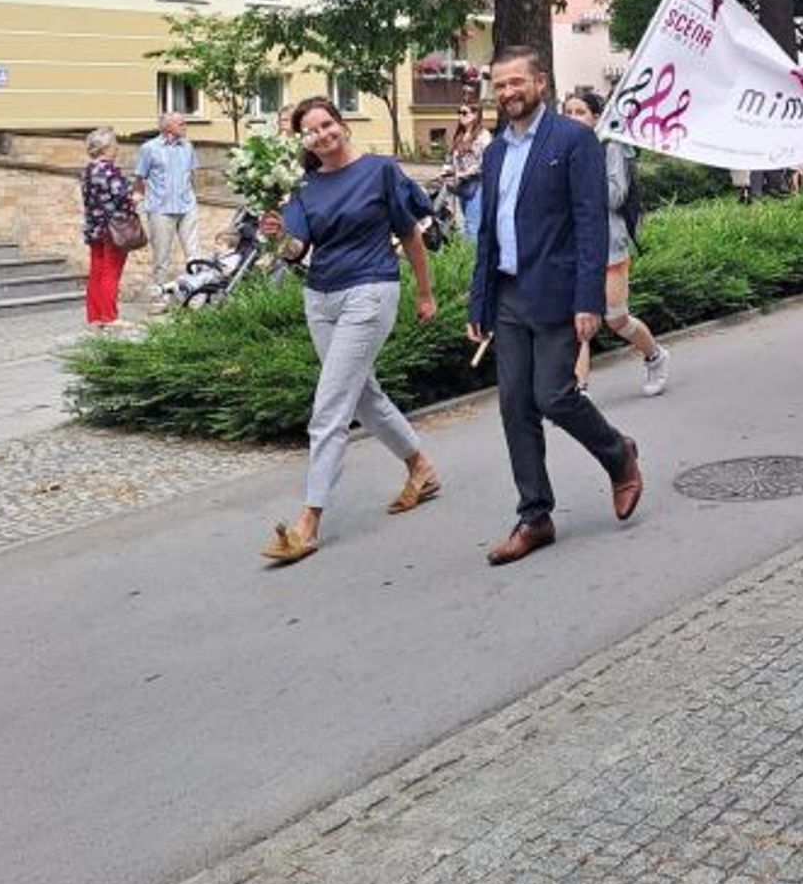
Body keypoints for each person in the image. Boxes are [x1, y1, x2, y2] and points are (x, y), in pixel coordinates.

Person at [466, 46, 643, 564]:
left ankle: (619, 454)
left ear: (539, 82)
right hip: (508, 294)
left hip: (558, 292)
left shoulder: (572, 140)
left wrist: (588, 299)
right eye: (500, 84)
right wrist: (479, 303)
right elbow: (488, 234)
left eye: (516, 82)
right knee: (514, 405)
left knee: (554, 395)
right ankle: (535, 516)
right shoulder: (495, 151)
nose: (507, 92)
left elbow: (591, 222)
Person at [257, 97, 441, 565]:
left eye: (327, 124)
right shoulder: (305, 186)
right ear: (304, 141)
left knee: (331, 406)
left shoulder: (380, 170)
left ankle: (308, 523)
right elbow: (297, 250)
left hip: (371, 290)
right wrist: (278, 234)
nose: (322, 135)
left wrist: (425, 293)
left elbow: (411, 235)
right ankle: (420, 467)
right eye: (311, 131)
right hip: (320, 298)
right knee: (362, 395)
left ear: (342, 125)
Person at [562, 87, 673, 397]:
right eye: (568, 113)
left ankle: (655, 356)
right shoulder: (561, 150)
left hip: (609, 244)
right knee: (579, 320)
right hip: (575, 246)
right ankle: (579, 390)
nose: (573, 118)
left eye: (580, 112)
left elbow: (615, 195)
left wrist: (583, 175)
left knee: (616, 319)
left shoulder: (611, 146)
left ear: (596, 117)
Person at [133, 111, 201, 294]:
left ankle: (197, 293)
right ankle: (159, 295)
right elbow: (139, 178)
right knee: (161, 257)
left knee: (194, 254)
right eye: (181, 123)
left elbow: (192, 175)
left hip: (187, 206)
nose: (185, 126)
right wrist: (138, 201)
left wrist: (195, 199)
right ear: (167, 127)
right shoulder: (149, 148)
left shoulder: (188, 146)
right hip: (160, 210)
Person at [80, 126, 136, 325]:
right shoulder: (110, 170)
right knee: (110, 272)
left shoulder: (88, 170)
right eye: (114, 143)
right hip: (114, 229)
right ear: (106, 147)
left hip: (94, 227)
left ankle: (95, 317)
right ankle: (109, 317)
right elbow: (124, 197)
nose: (117, 147)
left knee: (96, 272)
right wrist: (136, 197)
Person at [444, 100, 489, 242]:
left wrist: (464, 173)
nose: (460, 116)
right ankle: (468, 254)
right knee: (465, 224)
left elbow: (485, 162)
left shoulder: (483, 136)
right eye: (459, 112)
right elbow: (451, 158)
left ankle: (474, 255)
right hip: (461, 186)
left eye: (464, 113)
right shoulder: (460, 135)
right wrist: (446, 171)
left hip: (476, 186)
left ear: (475, 115)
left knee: (473, 227)